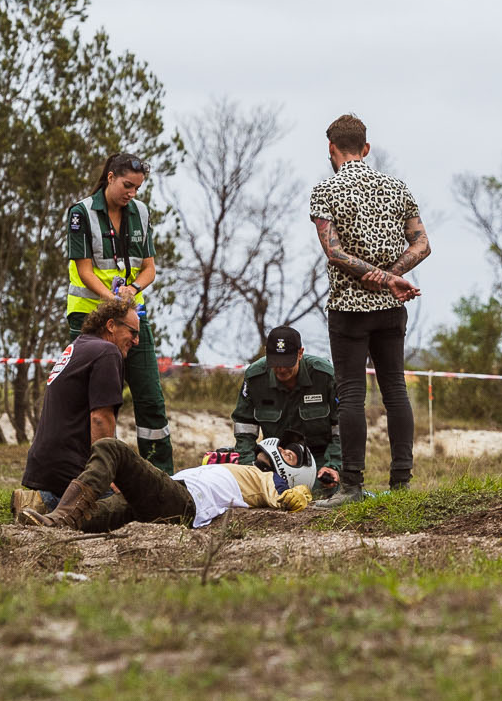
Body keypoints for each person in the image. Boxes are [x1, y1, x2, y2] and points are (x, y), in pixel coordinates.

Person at [308, 114, 429, 507]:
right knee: (395, 389)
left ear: (331, 149)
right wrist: (392, 277)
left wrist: (377, 277)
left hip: (348, 307)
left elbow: (334, 251)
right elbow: (422, 244)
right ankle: (401, 482)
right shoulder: (396, 186)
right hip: (392, 308)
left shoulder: (324, 191)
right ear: (366, 148)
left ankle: (352, 486)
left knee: (352, 394)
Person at [66, 152, 171, 471]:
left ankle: (160, 474)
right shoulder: (81, 212)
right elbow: (83, 270)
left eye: (138, 188)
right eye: (128, 185)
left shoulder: (140, 212)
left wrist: (133, 291)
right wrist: (111, 300)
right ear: (110, 177)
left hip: (132, 317)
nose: (132, 193)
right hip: (89, 319)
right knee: (94, 402)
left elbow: (150, 269)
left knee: (150, 398)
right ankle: (88, 474)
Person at [20, 435, 316, 531]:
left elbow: (285, 497)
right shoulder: (243, 466)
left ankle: (56, 514)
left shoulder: (269, 479)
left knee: (111, 448)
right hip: (171, 495)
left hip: (183, 500)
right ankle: (47, 515)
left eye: (290, 456)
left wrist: (300, 494)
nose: (281, 450)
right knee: (88, 518)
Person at [22, 296, 141, 511]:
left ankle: (41, 501)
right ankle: (54, 506)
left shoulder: (79, 347)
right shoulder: (107, 352)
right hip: (72, 476)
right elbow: (100, 418)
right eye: (133, 332)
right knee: (136, 506)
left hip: (45, 473)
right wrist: (109, 474)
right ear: (111, 325)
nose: (136, 341)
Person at [230, 325, 342, 500]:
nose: (281, 369)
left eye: (287, 363)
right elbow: (244, 427)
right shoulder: (255, 377)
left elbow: (341, 427)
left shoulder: (324, 376)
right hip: (275, 456)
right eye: (275, 363)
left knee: (318, 493)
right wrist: (248, 466)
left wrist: (333, 465)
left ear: (300, 353)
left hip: (318, 458)